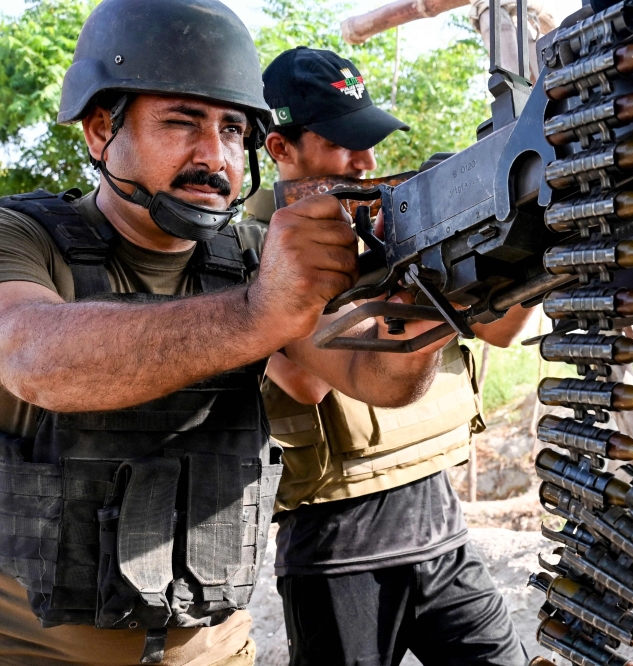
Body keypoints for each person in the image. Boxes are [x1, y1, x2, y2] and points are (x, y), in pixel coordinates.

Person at [0, 3, 450, 666]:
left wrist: (439, 292)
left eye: (233, 129)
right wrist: (256, 313)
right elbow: (35, 356)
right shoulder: (3, 238)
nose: (214, 155)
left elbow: (382, 380)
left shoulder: (256, 257)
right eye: (182, 123)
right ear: (100, 130)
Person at [240, 47, 535, 666]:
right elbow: (327, 381)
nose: (366, 162)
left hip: (442, 530)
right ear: (280, 149)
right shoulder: (257, 260)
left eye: (368, 140)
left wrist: (528, 244)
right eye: (343, 144)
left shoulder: (389, 230)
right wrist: (419, 281)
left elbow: (504, 332)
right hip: (337, 555)